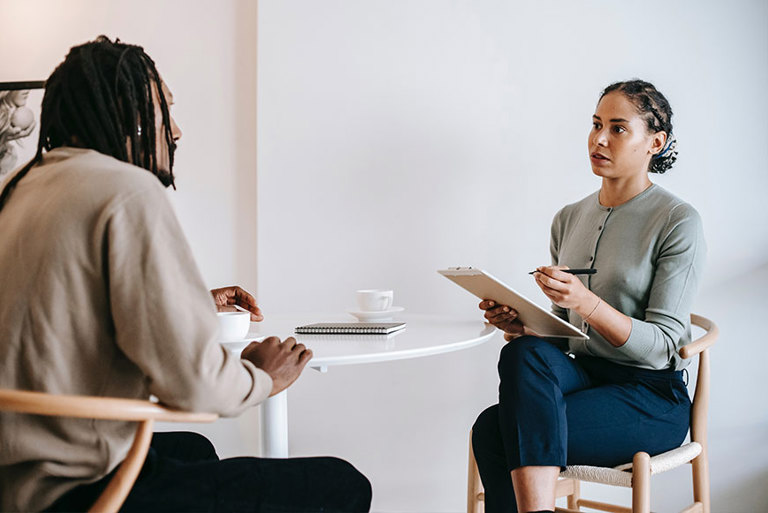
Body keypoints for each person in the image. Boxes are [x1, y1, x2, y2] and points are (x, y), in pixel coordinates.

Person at [0, 36, 371, 513]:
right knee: (341, 484)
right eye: (164, 109)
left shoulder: (24, 188)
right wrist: (258, 376)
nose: (175, 131)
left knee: (195, 451)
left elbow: (67, 312)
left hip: (16, 476)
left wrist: (190, 298)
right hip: (73, 489)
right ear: (128, 114)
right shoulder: (125, 190)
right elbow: (195, 387)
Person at [472, 79, 705, 513]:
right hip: (588, 376)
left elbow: (662, 348)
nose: (599, 138)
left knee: (494, 429)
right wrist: (523, 325)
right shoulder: (569, 218)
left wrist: (588, 303)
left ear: (655, 142)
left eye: (618, 128)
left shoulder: (678, 221)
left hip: (651, 397)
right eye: (596, 124)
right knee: (522, 354)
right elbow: (564, 340)